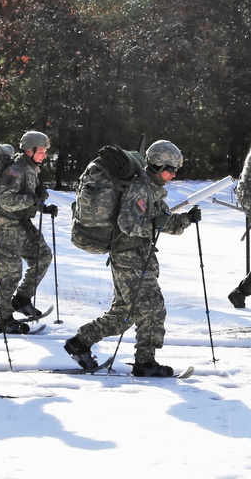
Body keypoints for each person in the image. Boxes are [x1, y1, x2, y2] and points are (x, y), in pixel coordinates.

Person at [63, 140, 201, 376]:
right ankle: (145, 362)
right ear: (156, 166)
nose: (173, 175)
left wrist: (186, 219)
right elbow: (128, 224)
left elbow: (162, 221)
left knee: (125, 314)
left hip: (137, 255)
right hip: (129, 257)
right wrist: (153, 224)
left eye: (176, 171)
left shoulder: (152, 188)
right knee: (153, 308)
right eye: (169, 170)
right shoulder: (139, 189)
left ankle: (80, 342)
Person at [0, 130, 56, 334]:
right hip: (7, 226)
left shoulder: (31, 169)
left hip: (22, 223)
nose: (45, 155)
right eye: (42, 151)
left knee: (43, 256)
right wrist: (33, 199)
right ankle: (4, 318)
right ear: (30, 151)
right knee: (9, 273)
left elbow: (28, 197)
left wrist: (42, 207)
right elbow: (6, 201)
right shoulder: (16, 170)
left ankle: (22, 299)